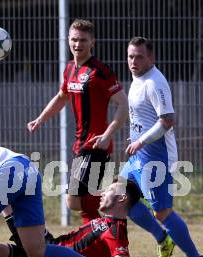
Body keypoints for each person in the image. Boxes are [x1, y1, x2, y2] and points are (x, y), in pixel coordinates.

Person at [27, 19, 128, 224]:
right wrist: (40, 118)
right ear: (68, 40)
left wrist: (107, 135)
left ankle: (121, 200)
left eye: (83, 40)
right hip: (80, 145)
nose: (77, 44)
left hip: (96, 145)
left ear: (92, 42)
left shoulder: (100, 71)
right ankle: (96, 242)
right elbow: (62, 97)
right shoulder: (70, 69)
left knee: (73, 199)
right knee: (79, 201)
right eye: (74, 39)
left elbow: (124, 105)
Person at [120, 36, 203, 257]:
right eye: (130, 56)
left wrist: (141, 140)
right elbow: (145, 117)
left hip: (156, 156)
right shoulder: (138, 79)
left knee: (162, 212)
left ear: (151, 57)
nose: (133, 61)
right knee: (121, 196)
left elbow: (167, 121)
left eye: (139, 56)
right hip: (141, 153)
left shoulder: (155, 83)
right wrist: (137, 136)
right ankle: (162, 238)